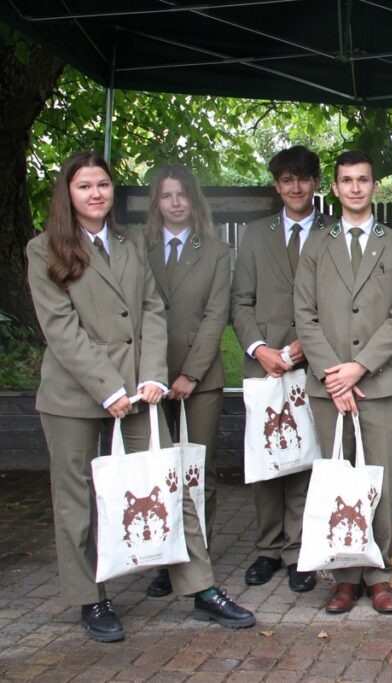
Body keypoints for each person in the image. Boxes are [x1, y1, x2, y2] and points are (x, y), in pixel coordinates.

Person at [27, 151, 253, 643]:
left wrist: (152, 375)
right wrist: (108, 387)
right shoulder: (43, 248)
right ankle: (91, 598)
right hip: (76, 396)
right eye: (85, 186)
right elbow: (61, 330)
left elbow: (152, 309)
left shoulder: (129, 243)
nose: (96, 194)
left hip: (139, 392)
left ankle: (202, 589)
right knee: (77, 501)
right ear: (68, 194)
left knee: (170, 482)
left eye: (103, 185)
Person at [294, 150, 392, 614]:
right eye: (347, 181)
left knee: (379, 480)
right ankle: (344, 576)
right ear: (336, 188)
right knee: (336, 479)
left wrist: (359, 367)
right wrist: (335, 374)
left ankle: (379, 573)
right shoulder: (317, 244)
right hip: (330, 388)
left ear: (375, 187)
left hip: (378, 384)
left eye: (363, 180)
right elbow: (304, 315)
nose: (356, 188)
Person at [231, 145, 325, 593]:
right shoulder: (254, 235)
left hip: (315, 359)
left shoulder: (332, 231)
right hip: (264, 363)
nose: (295, 187)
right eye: (287, 179)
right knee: (267, 455)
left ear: (317, 184)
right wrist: (258, 347)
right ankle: (267, 549)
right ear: (276, 185)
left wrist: (311, 344)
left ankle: (299, 550)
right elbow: (240, 301)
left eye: (303, 179)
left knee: (307, 453)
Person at [142, 164, 231, 599]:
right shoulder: (138, 249)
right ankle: (164, 560)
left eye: (182, 195)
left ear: (194, 200)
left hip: (201, 379)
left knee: (197, 472)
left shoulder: (216, 252)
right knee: (159, 472)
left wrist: (190, 374)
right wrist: (158, 376)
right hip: (149, 380)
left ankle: (196, 560)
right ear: (156, 203)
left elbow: (216, 317)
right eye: (166, 195)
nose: (175, 202)